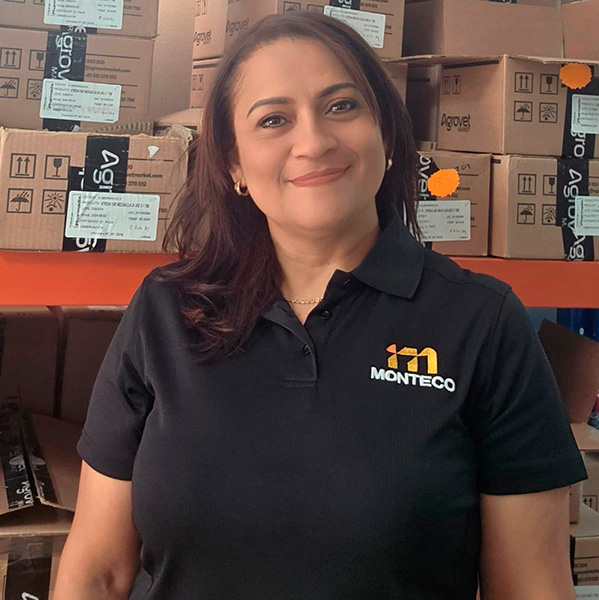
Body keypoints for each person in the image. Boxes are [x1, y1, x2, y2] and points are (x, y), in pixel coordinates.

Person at [54, 11, 586, 600]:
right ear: (233, 163)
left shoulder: (482, 322)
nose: (314, 142)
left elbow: (531, 586)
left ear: (387, 134)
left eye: (341, 106)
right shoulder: (166, 310)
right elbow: (97, 572)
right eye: (273, 119)